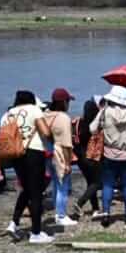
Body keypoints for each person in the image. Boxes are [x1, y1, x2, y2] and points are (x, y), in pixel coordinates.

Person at [2, 90, 53, 243]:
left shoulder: (9, 114)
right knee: (36, 192)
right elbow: (45, 132)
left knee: (27, 189)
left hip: (16, 154)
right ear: (32, 101)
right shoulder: (34, 110)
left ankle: (14, 223)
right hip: (33, 152)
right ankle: (36, 233)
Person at [91, 85, 126, 226]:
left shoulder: (105, 111)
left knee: (108, 185)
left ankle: (106, 214)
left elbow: (92, 129)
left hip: (109, 154)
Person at [44, 88, 77, 227]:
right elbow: (67, 144)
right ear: (63, 102)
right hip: (60, 153)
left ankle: (58, 213)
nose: (69, 104)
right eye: (68, 101)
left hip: (48, 153)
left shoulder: (46, 114)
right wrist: (69, 162)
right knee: (63, 186)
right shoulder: (63, 118)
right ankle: (61, 215)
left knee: (56, 185)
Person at [74, 96, 103, 219]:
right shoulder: (94, 125)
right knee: (97, 182)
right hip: (91, 156)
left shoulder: (78, 122)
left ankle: (95, 208)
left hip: (79, 157)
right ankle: (80, 202)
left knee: (90, 182)